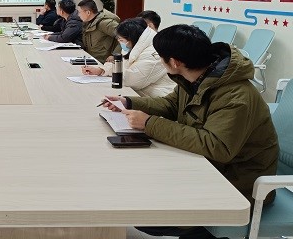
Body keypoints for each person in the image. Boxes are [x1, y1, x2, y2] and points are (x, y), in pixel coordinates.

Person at [104, 24, 278, 239]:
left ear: (175, 62)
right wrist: (129, 102)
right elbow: (171, 104)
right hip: (209, 167)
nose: (160, 62)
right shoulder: (198, 77)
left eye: (161, 58)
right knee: (137, 196)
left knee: (148, 215)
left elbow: (217, 146)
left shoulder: (236, 96)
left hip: (239, 183)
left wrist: (149, 124)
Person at [82, 18, 174, 97]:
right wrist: (101, 70)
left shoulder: (153, 53)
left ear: (131, 38)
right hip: (140, 94)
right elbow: (122, 65)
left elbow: (133, 80)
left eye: (121, 39)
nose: (119, 42)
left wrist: (110, 71)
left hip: (158, 98)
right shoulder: (136, 45)